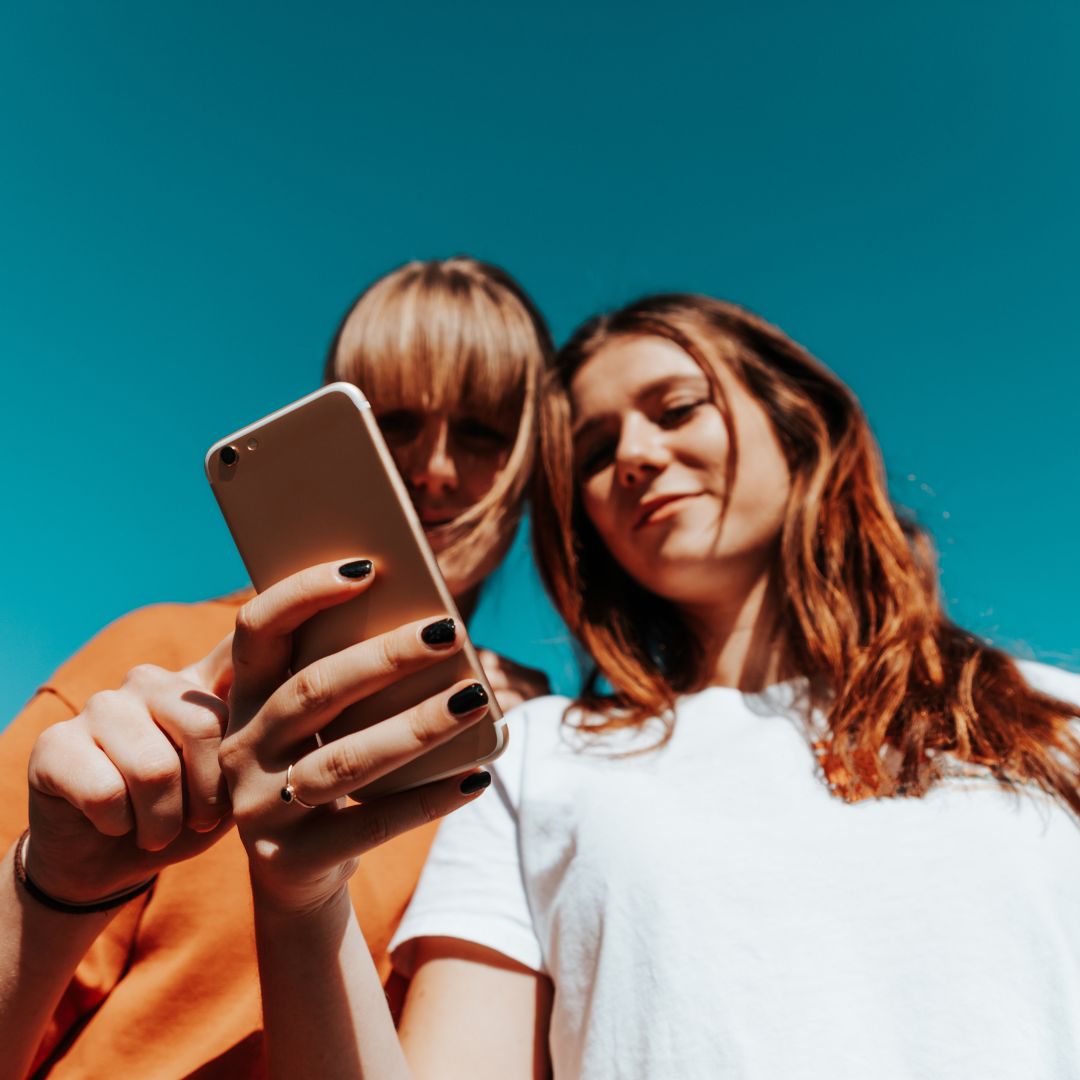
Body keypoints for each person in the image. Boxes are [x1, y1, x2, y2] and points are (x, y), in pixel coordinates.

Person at [218, 292, 1080, 1079]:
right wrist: (300, 903)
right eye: (594, 454)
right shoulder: (534, 758)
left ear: (798, 424)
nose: (634, 455)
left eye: (676, 409)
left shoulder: (1056, 715)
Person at [0, 256, 554, 1079]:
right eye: (395, 421)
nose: (437, 467)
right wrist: (50, 888)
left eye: (483, 432)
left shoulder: (554, 739)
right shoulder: (162, 658)